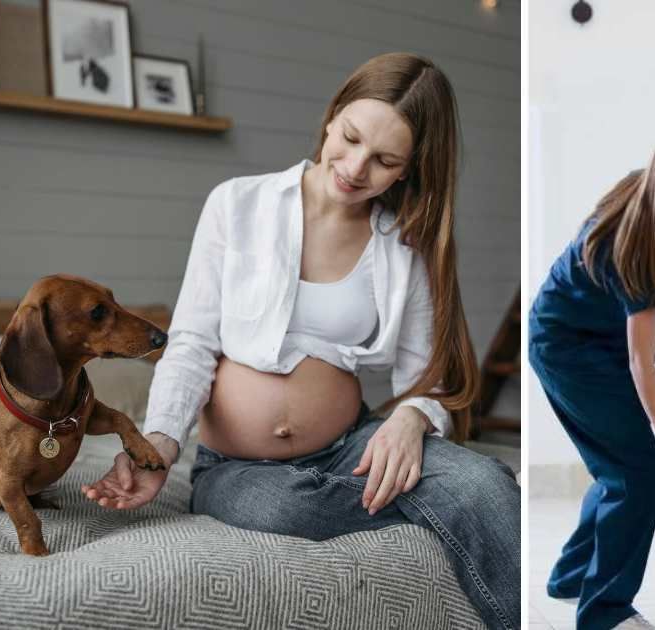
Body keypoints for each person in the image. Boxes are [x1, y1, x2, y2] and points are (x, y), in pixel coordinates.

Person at [79, 53, 521, 630]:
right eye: (352, 137)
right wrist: (158, 445)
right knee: (284, 504)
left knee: (484, 482)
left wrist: (412, 419)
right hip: (238, 467)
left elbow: (424, 378)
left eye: (385, 160)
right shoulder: (236, 203)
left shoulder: (404, 249)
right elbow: (190, 343)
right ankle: (438, 504)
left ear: (408, 170)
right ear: (333, 115)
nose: (357, 168)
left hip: (350, 446)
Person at [529, 122, 655, 630]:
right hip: (569, 349)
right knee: (637, 474)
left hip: (581, 337)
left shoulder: (647, 191)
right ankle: (605, 611)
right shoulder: (645, 240)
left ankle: (572, 574)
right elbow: (644, 363)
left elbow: (637, 337)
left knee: (616, 465)